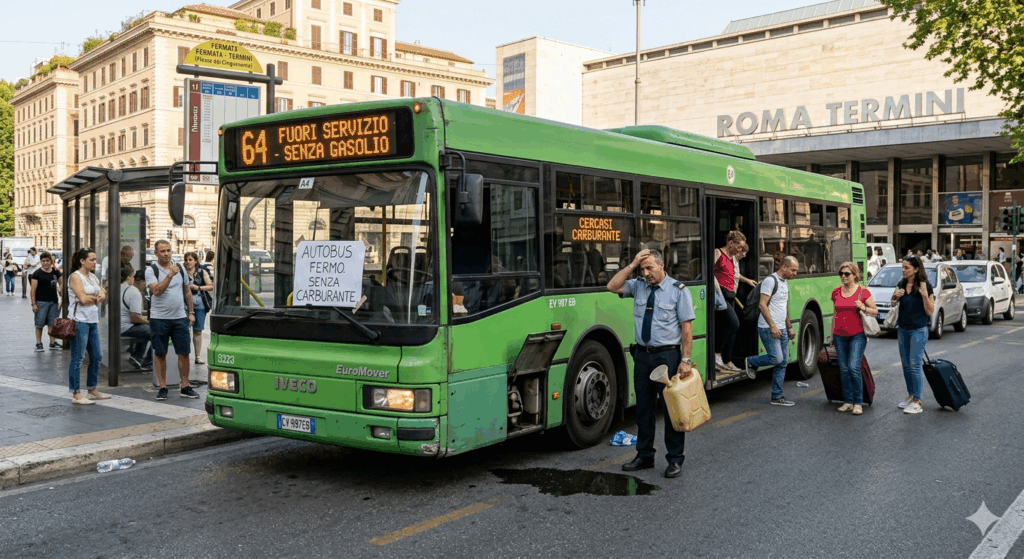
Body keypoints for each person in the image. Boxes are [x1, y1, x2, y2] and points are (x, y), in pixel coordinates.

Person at [607, 247, 695, 478]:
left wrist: (685, 360)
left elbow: (687, 328)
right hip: (643, 356)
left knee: (670, 410)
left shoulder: (678, 291)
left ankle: (675, 459)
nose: (646, 273)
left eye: (650, 268)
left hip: (667, 356)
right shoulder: (638, 286)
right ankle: (644, 455)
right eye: (643, 269)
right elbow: (612, 286)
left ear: (662, 265)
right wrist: (632, 263)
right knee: (644, 409)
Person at [146, 240, 198, 401]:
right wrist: (169, 275)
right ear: (156, 253)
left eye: (168, 250)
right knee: (160, 353)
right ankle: (163, 387)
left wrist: (191, 312)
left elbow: (187, 292)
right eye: (162, 251)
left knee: (184, 352)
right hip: (159, 318)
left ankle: (185, 386)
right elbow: (156, 291)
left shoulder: (180, 269)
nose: (166, 254)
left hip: (179, 318)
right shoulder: (151, 270)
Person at [744, 256, 800, 406]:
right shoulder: (770, 281)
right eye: (793, 270)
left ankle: (777, 396)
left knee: (783, 363)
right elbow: (762, 305)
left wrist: (789, 327)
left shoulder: (785, 283)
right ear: (784, 268)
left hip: (781, 328)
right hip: (768, 328)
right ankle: (750, 361)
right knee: (776, 358)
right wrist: (773, 326)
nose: (795, 273)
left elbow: (783, 308)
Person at [831, 262, 877, 415]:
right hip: (839, 335)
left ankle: (858, 402)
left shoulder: (862, 292)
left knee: (853, 367)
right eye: (841, 273)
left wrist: (863, 307)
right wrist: (831, 335)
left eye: (847, 274)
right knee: (843, 370)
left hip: (857, 335)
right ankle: (848, 401)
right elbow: (834, 314)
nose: (843, 276)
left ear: (855, 275)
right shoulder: (836, 292)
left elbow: (875, 311)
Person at [890, 256, 934, 415]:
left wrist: (923, 294)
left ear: (916, 269)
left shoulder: (925, 286)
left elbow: (930, 310)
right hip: (903, 329)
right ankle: (910, 395)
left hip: (918, 330)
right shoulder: (901, 283)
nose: (903, 270)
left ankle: (917, 400)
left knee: (915, 364)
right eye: (903, 267)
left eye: (907, 267)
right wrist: (896, 297)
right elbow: (892, 303)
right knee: (906, 365)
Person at [66, 247, 110, 404]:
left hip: (92, 321)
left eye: (95, 259)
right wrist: (96, 297)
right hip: (79, 321)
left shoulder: (92, 277)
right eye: (91, 259)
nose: (94, 262)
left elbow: (103, 292)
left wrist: (99, 295)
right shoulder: (75, 277)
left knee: (97, 356)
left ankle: (92, 389)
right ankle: (76, 394)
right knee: (77, 358)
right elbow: (83, 299)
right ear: (82, 261)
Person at [713, 230, 745, 373]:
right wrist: (718, 290)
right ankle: (716, 354)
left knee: (732, 331)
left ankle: (728, 360)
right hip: (721, 296)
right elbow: (710, 272)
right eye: (739, 247)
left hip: (731, 296)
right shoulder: (718, 253)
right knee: (734, 324)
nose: (740, 250)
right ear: (730, 243)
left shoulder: (733, 258)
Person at [120, 265, 153, 371]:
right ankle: (147, 362)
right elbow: (135, 318)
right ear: (130, 278)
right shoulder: (133, 291)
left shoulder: (120, 287)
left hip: (117, 325)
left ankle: (136, 356)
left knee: (143, 329)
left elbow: (130, 311)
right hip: (124, 327)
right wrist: (150, 322)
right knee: (158, 331)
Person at [29, 251, 63, 351]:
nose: (45, 263)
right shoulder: (37, 274)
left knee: (52, 323)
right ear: (40, 262)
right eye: (43, 261)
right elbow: (33, 290)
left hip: (53, 301)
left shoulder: (55, 272)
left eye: (47, 261)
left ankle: (52, 343)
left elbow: (61, 282)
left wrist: (60, 289)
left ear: (51, 261)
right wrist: (33, 304)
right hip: (41, 302)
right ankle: (38, 343)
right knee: (39, 324)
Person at [184, 251, 213, 364]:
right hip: (185, 304)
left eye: (190, 260)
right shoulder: (182, 273)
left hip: (200, 302)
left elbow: (210, 286)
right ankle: (184, 355)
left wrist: (198, 287)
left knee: (198, 330)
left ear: (196, 261)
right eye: (186, 260)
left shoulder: (202, 272)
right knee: (184, 330)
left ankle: (197, 356)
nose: (188, 262)